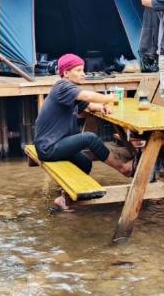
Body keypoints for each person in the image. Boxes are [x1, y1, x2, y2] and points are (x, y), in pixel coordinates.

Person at [34, 53, 134, 211]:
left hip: (54, 144)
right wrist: (112, 98)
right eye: (79, 70)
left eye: (83, 70)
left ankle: (64, 198)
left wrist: (101, 107)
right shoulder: (62, 86)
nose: (83, 74)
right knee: (90, 138)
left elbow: (87, 104)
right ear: (66, 73)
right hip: (49, 147)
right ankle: (123, 168)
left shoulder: (68, 91)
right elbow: (88, 95)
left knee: (85, 162)